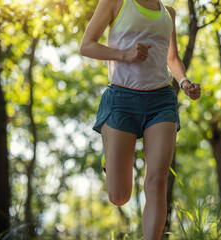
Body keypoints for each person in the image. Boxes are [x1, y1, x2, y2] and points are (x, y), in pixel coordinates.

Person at [80, 0, 201, 238]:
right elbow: (86, 46)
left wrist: (185, 82)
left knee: (157, 182)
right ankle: (109, 157)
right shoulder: (115, 3)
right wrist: (125, 55)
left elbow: (172, 58)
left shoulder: (169, 13)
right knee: (119, 196)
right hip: (122, 100)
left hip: (161, 101)